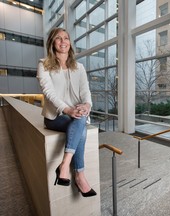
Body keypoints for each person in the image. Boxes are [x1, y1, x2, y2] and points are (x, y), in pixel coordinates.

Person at [37, 27, 96, 197]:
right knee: (81, 125)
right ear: (52, 43)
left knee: (80, 119)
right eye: (58, 38)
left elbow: (86, 92)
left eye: (66, 38)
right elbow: (49, 93)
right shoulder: (44, 65)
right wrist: (67, 109)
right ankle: (80, 175)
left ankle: (65, 165)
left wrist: (87, 105)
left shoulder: (79, 67)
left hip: (76, 114)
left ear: (70, 42)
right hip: (55, 117)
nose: (63, 41)